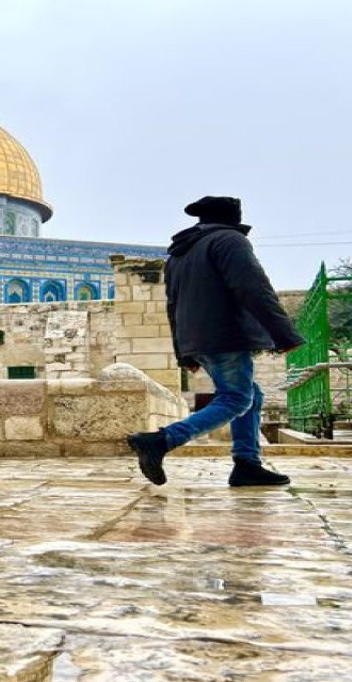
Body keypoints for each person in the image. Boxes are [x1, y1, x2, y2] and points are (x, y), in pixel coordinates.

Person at [127, 196, 304, 488]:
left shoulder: (180, 254)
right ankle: (161, 441)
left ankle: (247, 463)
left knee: (251, 395)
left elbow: (174, 305)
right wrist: (284, 334)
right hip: (226, 334)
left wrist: (185, 353)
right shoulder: (229, 240)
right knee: (236, 399)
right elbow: (253, 287)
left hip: (199, 338)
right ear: (233, 218)